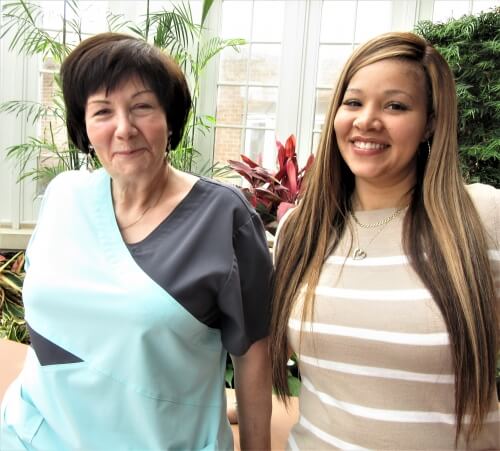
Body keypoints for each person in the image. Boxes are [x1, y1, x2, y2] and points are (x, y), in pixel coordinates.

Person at [0, 33, 272, 450]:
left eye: (142, 107)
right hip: (32, 435)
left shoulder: (222, 217)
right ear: (84, 127)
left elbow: (252, 353)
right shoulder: (63, 196)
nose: (124, 129)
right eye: (102, 111)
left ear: (170, 118)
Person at [270, 31, 499, 450]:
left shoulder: (483, 218)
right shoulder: (301, 230)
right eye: (353, 102)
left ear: (430, 122)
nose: (367, 121)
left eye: (396, 106)